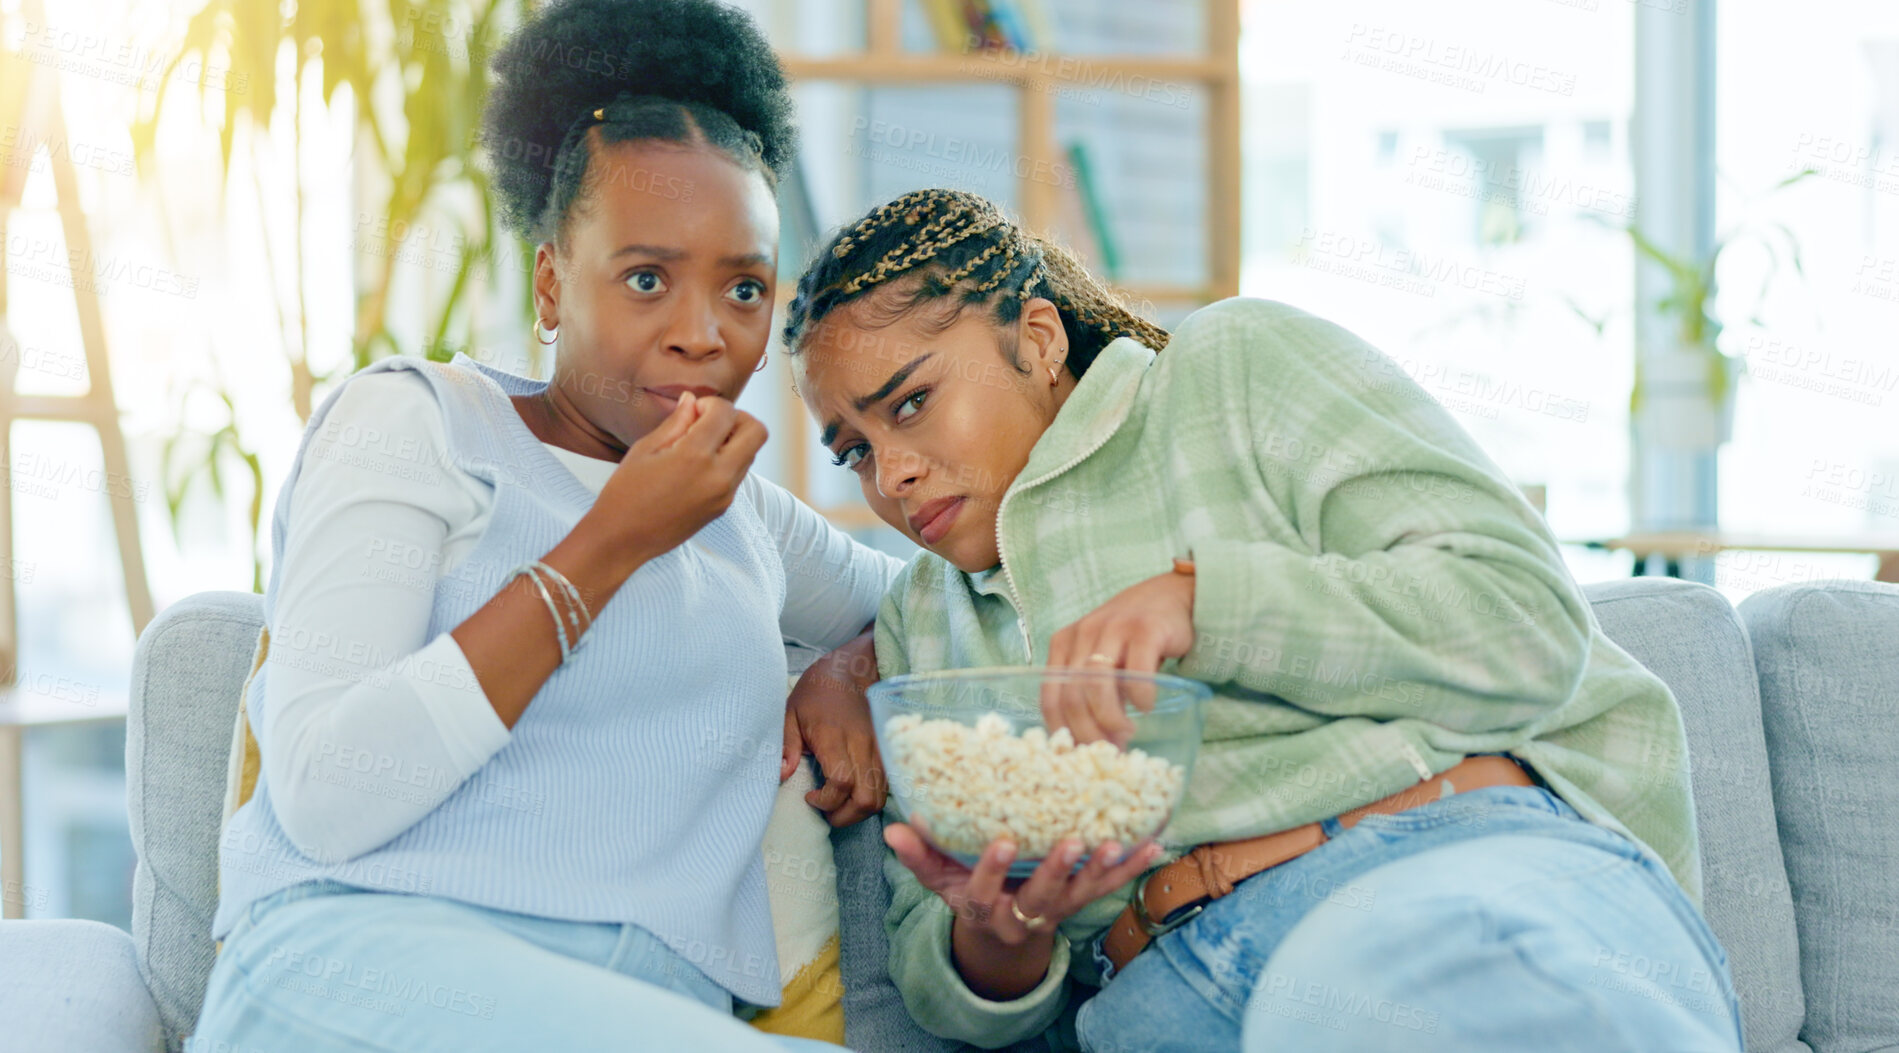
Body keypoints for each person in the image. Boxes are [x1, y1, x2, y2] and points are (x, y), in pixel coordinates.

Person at [780, 187, 1744, 1052]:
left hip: (1424, 870)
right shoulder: (920, 625)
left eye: (911, 403)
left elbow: (1523, 618)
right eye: (853, 451)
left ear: (1035, 340)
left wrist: (1206, 600)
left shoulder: (1226, 376)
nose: (891, 475)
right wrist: (999, 935)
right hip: (1154, 1001)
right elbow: (945, 986)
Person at [192, 2, 893, 1049]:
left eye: (744, 288)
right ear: (553, 281)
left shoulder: (740, 509)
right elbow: (328, 792)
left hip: (651, 1005)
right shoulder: (417, 422)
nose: (703, 336)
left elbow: (956, 600)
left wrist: (850, 665)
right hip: (362, 972)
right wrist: (608, 545)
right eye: (647, 278)